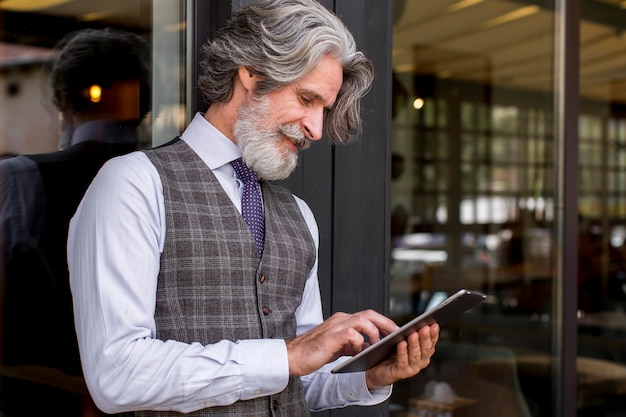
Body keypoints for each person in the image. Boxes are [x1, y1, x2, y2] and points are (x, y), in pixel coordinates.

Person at [67, 1, 439, 416]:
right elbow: (117, 375)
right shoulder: (133, 184)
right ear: (251, 73)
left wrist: (369, 376)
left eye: (324, 109)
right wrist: (287, 355)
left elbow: (297, 379)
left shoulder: (299, 215)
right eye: (306, 98)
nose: (316, 129)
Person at [0, 28, 150, 415]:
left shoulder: (17, 178)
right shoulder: (175, 184)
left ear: (64, 101)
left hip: (38, 396)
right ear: (145, 109)